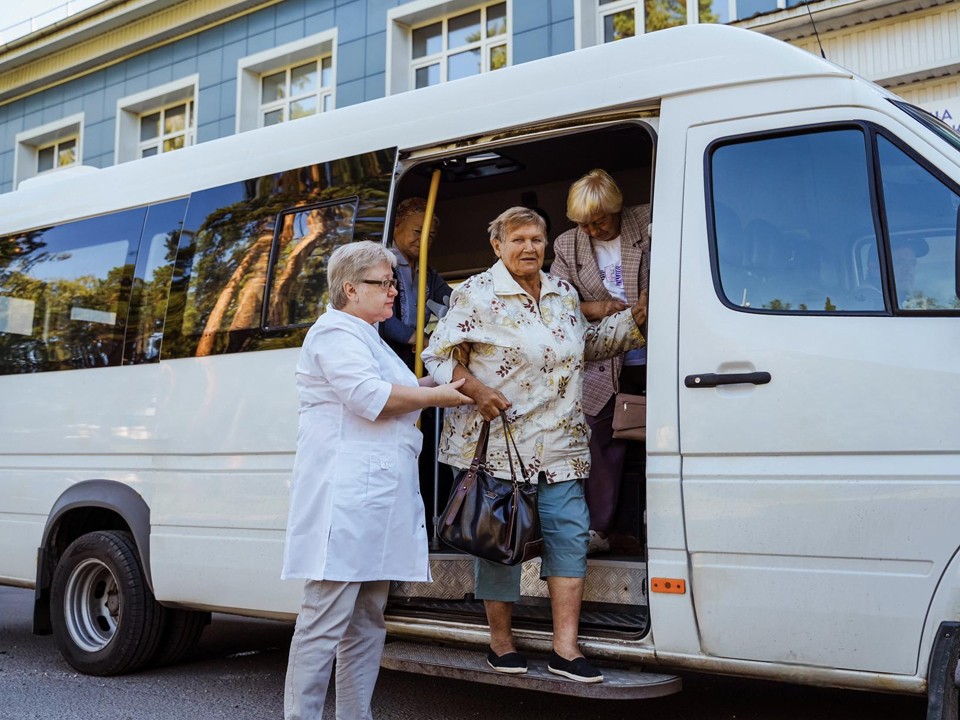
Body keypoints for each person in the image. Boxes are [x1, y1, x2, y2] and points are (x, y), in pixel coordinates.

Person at [422, 207, 647, 684]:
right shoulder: (476, 295)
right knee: (501, 543)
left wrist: (634, 320)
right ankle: (500, 643)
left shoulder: (563, 292)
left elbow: (586, 345)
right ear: (497, 246)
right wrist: (478, 392)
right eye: (519, 239)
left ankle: (565, 649)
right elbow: (437, 357)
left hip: (562, 442)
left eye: (537, 239)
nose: (529, 247)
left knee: (569, 540)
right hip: (504, 445)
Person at [281, 240, 472, 720]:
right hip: (343, 505)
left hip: (374, 504)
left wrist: (442, 385)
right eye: (383, 283)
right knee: (322, 624)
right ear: (350, 288)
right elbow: (372, 397)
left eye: (392, 283)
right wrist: (437, 398)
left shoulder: (367, 335)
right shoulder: (334, 335)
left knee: (367, 622)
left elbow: (399, 389)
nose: (394, 293)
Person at [550, 169, 651, 554]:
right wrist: (598, 306)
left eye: (600, 221)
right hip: (604, 361)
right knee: (601, 442)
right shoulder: (567, 244)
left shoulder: (648, 221)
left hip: (660, 355)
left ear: (618, 207)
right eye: (584, 224)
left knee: (656, 443)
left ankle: (644, 529)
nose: (592, 230)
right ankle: (599, 530)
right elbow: (556, 302)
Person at [380, 197, 453, 369]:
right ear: (397, 224)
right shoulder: (382, 264)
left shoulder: (427, 273)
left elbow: (454, 300)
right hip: (387, 356)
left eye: (430, 235)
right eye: (418, 232)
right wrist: (421, 340)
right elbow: (382, 318)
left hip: (414, 357)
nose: (424, 240)